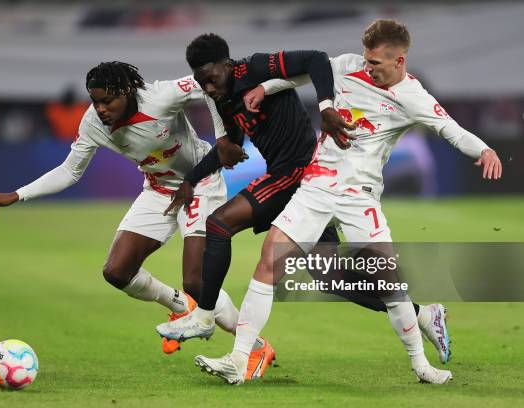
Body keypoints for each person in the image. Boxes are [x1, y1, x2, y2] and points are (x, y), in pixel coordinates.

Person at [186, 20, 502, 385]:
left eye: (377, 63)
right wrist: (263, 87)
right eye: (367, 60)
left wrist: (484, 150)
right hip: (315, 188)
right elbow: (302, 74)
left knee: (388, 283)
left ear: (400, 61)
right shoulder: (349, 65)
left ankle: (422, 366)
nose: (368, 67)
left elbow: (450, 128)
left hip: (358, 198)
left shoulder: (414, 97)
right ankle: (239, 360)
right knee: (269, 262)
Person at [0, 61, 274, 379]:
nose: (100, 108)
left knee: (196, 282)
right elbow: (70, 170)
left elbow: (210, 83)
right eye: (95, 101)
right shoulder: (93, 122)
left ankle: (254, 347)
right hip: (159, 190)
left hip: (199, 183)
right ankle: (180, 306)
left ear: (127, 92)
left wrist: (223, 138)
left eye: (107, 100)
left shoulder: (161, 96)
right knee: (117, 271)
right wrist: (18, 194)